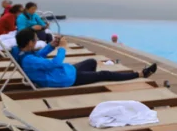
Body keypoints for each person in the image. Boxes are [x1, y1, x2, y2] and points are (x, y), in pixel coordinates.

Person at [11, 27, 157, 87]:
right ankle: (140, 74)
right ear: (29, 42)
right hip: (64, 78)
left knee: (91, 62)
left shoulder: (23, 53)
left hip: (64, 72)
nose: (37, 41)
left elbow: (39, 55)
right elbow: (55, 63)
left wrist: (52, 45)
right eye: (35, 39)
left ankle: (90, 79)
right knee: (104, 74)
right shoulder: (29, 60)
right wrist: (62, 47)